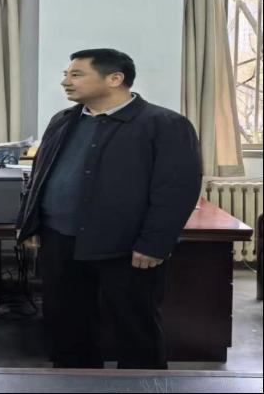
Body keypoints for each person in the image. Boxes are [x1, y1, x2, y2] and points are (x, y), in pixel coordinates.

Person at [17, 48, 202, 369]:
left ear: (115, 79)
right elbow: (41, 175)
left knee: (134, 327)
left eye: (76, 75)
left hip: (126, 248)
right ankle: (75, 385)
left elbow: (176, 190)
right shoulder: (63, 120)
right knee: (67, 325)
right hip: (60, 242)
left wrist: (155, 243)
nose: (65, 81)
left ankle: (142, 387)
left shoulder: (164, 124)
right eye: (66, 74)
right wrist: (31, 223)